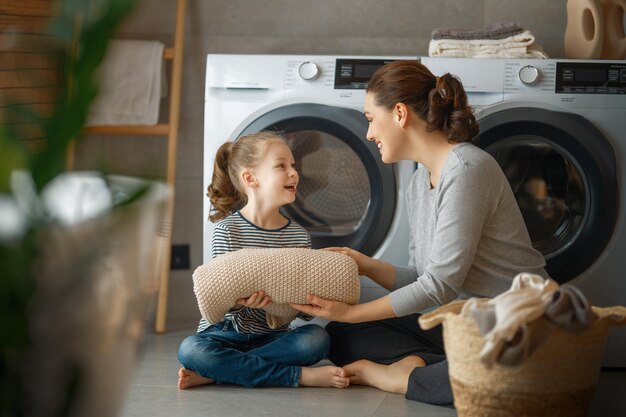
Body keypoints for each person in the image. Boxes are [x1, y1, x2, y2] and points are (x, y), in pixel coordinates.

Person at [290, 60, 548, 405]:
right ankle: (434, 369)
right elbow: (423, 277)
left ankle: (401, 376)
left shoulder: (467, 170)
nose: (369, 133)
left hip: (511, 326)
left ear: (399, 113)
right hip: (459, 325)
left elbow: (440, 285)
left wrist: (351, 311)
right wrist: (364, 264)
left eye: (370, 119)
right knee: (338, 337)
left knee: (501, 379)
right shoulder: (417, 182)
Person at [177, 132, 349, 390]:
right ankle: (297, 377)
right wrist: (238, 303)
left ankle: (221, 371)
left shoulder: (297, 235)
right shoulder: (228, 230)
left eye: (293, 165)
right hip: (225, 335)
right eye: (282, 166)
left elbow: (303, 313)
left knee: (316, 339)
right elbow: (217, 299)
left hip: (274, 337)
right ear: (250, 178)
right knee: (190, 349)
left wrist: (304, 303)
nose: (294, 173)